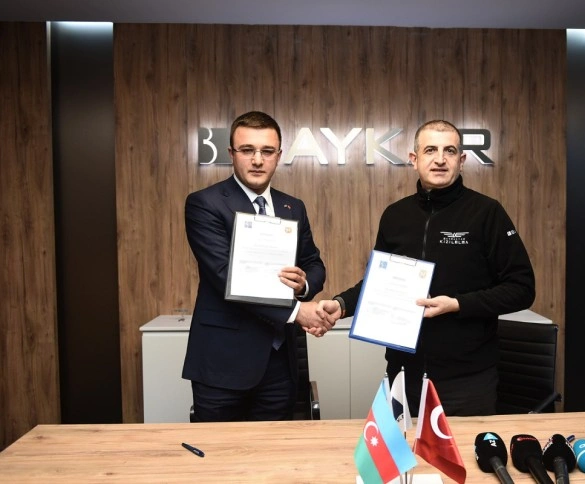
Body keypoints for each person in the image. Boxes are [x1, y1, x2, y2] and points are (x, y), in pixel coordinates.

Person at [317, 119, 535, 416]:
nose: (440, 159)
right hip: (402, 375)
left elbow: (522, 289)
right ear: (414, 159)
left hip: (466, 381)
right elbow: (378, 284)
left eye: (449, 151)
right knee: (402, 448)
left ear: (462, 160)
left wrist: (457, 304)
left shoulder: (487, 212)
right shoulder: (395, 215)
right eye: (430, 150)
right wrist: (341, 305)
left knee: (462, 449)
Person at [182, 111, 332, 422]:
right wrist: (297, 312)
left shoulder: (293, 206)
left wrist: (303, 284)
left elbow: (313, 262)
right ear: (231, 154)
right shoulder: (205, 204)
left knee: (275, 449)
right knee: (219, 450)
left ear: (279, 155)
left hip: (279, 364)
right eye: (247, 150)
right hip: (223, 363)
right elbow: (226, 277)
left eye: (267, 151)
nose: (257, 160)